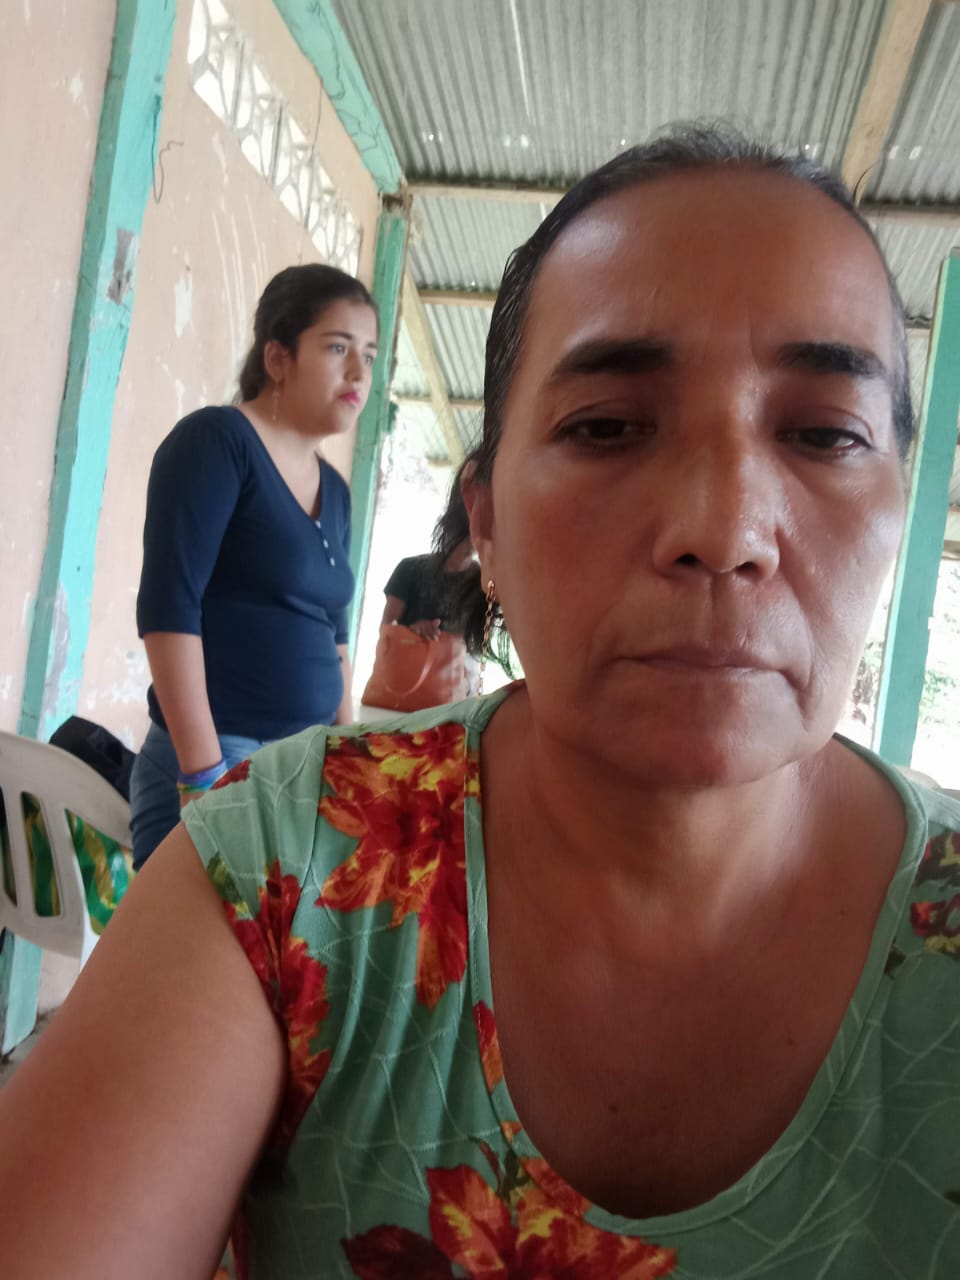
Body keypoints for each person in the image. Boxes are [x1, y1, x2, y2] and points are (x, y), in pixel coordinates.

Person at [2, 125, 959, 1279]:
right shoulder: (288, 862)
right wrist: (211, 768)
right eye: (607, 426)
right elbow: (174, 608)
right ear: (485, 524)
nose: (723, 530)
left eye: (825, 434)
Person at [128, 264, 378, 868]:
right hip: (221, 762)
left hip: (301, 770)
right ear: (277, 357)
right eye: (338, 347)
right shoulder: (217, 443)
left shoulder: (337, 492)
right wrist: (204, 774)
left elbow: (335, 637)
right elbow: (169, 610)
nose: (358, 372)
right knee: (202, 935)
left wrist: (346, 760)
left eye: (369, 355)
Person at [379, 474, 477, 641]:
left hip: (456, 659)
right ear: (446, 528)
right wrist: (412, 631)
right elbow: (386, 632)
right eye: (464, 532)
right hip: (406, 657)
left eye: (475, 533)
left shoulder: (483, 583)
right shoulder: (409, 569)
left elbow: (480, 643)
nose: (471, 542)